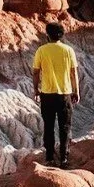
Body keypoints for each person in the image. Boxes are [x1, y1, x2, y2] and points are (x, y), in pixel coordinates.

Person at [32, 22, 80, 168]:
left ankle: (49, 157)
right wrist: (76, 91)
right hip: (64, 94)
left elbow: (35, 72)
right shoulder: (68, 50)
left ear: (47, 35)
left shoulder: (41, 50)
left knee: (48, 126)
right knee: (64, 127)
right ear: (61, 35)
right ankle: (64, 159)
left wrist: (36, 90)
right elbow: (73, 73)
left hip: (47, 94)